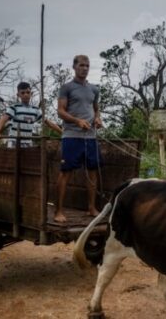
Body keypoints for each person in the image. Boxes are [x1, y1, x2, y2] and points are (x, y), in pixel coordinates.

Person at [54, 54, 102, 223]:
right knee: (66, 172)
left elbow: (96, 109)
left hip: (90, 137)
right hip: (71, 135)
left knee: (93, 171)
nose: (84, 69)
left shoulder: (94, 89)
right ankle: (58, 211)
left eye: (87, 66)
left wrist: (98, 119)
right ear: (74, 67)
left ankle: (91, 208)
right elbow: (60, 111)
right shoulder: (66, 87)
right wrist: (77, 121)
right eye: (81, 65)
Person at [0, 82, 62, 147]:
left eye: (28, 92)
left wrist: (62, 132)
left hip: (28, 142)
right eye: (22, 93)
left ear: (31, 94)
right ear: (18, 95)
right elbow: (3, 120)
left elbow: (48, 122)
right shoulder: (14, 108)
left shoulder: (36, 110)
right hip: (14, 141)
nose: (25, 94)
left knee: (28, 159)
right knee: (13, 159)